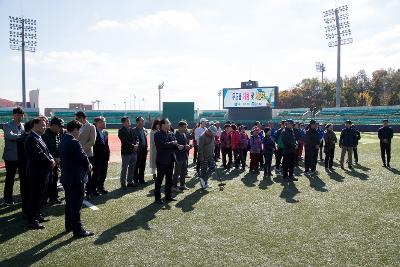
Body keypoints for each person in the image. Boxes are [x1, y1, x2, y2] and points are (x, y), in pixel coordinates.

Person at [59, 120, 94, 238]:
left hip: (66, 177)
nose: (80, 132)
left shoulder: (63, 140)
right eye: (79, 130)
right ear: (74, 129)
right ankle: (78, 229)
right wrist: (88, 166)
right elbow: (83, 156)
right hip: (75, 178)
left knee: (69, 203)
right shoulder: (74, 142)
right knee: (76, 205)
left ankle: (69, 225)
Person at [25, 118, 56, 229]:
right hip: (36, 172)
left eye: (45, 125)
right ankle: (32, 220)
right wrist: (50, 161)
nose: (44, 127)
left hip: (43, 171)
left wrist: (51, 159)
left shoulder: (38, 137)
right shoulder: (31, 138)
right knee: (36, 196)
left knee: (42, 195)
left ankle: (37, 215)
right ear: (34, 124)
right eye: (42, 125)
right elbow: (39, 155)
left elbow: (47, 152)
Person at [2, 107, 25, 205]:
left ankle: (23, 197)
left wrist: (19, 136)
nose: (19, 117)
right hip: (10, 157)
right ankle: (8, 199)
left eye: (21, 115)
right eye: (17, 115)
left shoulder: (23, 125)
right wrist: (23, 136)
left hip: (22, 156)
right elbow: (9, 136)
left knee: (23, 178)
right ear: (13, 115)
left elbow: (15, 136)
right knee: (10, 178)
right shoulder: (7, 125)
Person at [154, 118, 178, 204]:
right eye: (168, 122)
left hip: (170, 159)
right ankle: (157, 198)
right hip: (162, 160)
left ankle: (168, 196)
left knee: (169, 179)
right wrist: (173, 143)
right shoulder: (157, 134)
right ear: (163, 125)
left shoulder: (171, 133)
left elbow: (174, 145)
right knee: (159, 179)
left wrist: (179, 146)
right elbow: (161, 145)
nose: (170, 124)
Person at [42, 116, 64, 204]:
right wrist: (54, 159)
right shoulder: (44, 135)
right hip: (47, 163)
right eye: (60, 126)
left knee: (54, 179)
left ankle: (53, 197)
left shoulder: (57, 134)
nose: (61, 128)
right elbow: (44, 150)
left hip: (55, 162)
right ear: (53, 125)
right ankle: (45, 198)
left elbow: (57, 147)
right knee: (47, 181)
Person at [75, 111, 96, 198]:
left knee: (88, 174)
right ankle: (78, 191)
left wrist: (81, 150)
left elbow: (92, 141)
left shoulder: (91, 127)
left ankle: (89, 192)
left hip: (87, 154)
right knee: (77, 173)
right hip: (76, 154)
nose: (76, 120)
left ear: (83, 118)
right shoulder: (76, 127)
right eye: (76, 118)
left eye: (78, 118)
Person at [17, 120, 33, 217]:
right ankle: (28, 212)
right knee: (28, 191)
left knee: (26, 191)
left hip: (24, 168)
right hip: (28, 168)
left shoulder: (22, 138)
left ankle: (27, 211)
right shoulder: (27, 139)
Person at [118, 116, 138, 189]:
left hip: (133, 152)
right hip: (126, 152)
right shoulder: (121, 131)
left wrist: (137, 144)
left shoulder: (132, 130)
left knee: (132, 167)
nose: (129, 122)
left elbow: (136, 139)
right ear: (123, 123)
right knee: (124, 168)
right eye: (127, 121)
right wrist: (133, 146)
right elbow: (124, 142)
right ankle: (123, 183)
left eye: (129, 120)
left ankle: (130, 181)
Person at [92, 116, 110, 194]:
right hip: (96, 157)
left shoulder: (105, 132)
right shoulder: (93, 131)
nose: (105, 123)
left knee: (103, 173)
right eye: (103, 121)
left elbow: (106, 145)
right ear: (97, 123)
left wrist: (108, 155)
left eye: (104, 121)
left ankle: (100, 187)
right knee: (96, 174)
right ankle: (93, 189)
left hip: (105, 156)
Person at [172, 121, 191, 192]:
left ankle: (182, 185)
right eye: (184, 127)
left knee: (183, 171)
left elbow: (185, 143)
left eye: (186, 127)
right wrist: (181, 146)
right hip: (178, 156)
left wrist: (187, 146)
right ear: (179, 127)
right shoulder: (175, 135)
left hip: (184, 155)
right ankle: (174, 186)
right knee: (177, 172)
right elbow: (174, 145)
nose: (185, 129)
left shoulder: (184, 134)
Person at [132, 116, 148, 185]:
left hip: (144, 150)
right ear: (137, 122)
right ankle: (135, 180)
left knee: (142, 165)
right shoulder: (133, 130)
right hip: (137, 151)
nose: (143, 122)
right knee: (136, 165)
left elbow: (145, 139)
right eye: (141, 121)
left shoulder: (144, 130)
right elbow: (133, 141)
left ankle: (141, 179)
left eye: (143, 121)